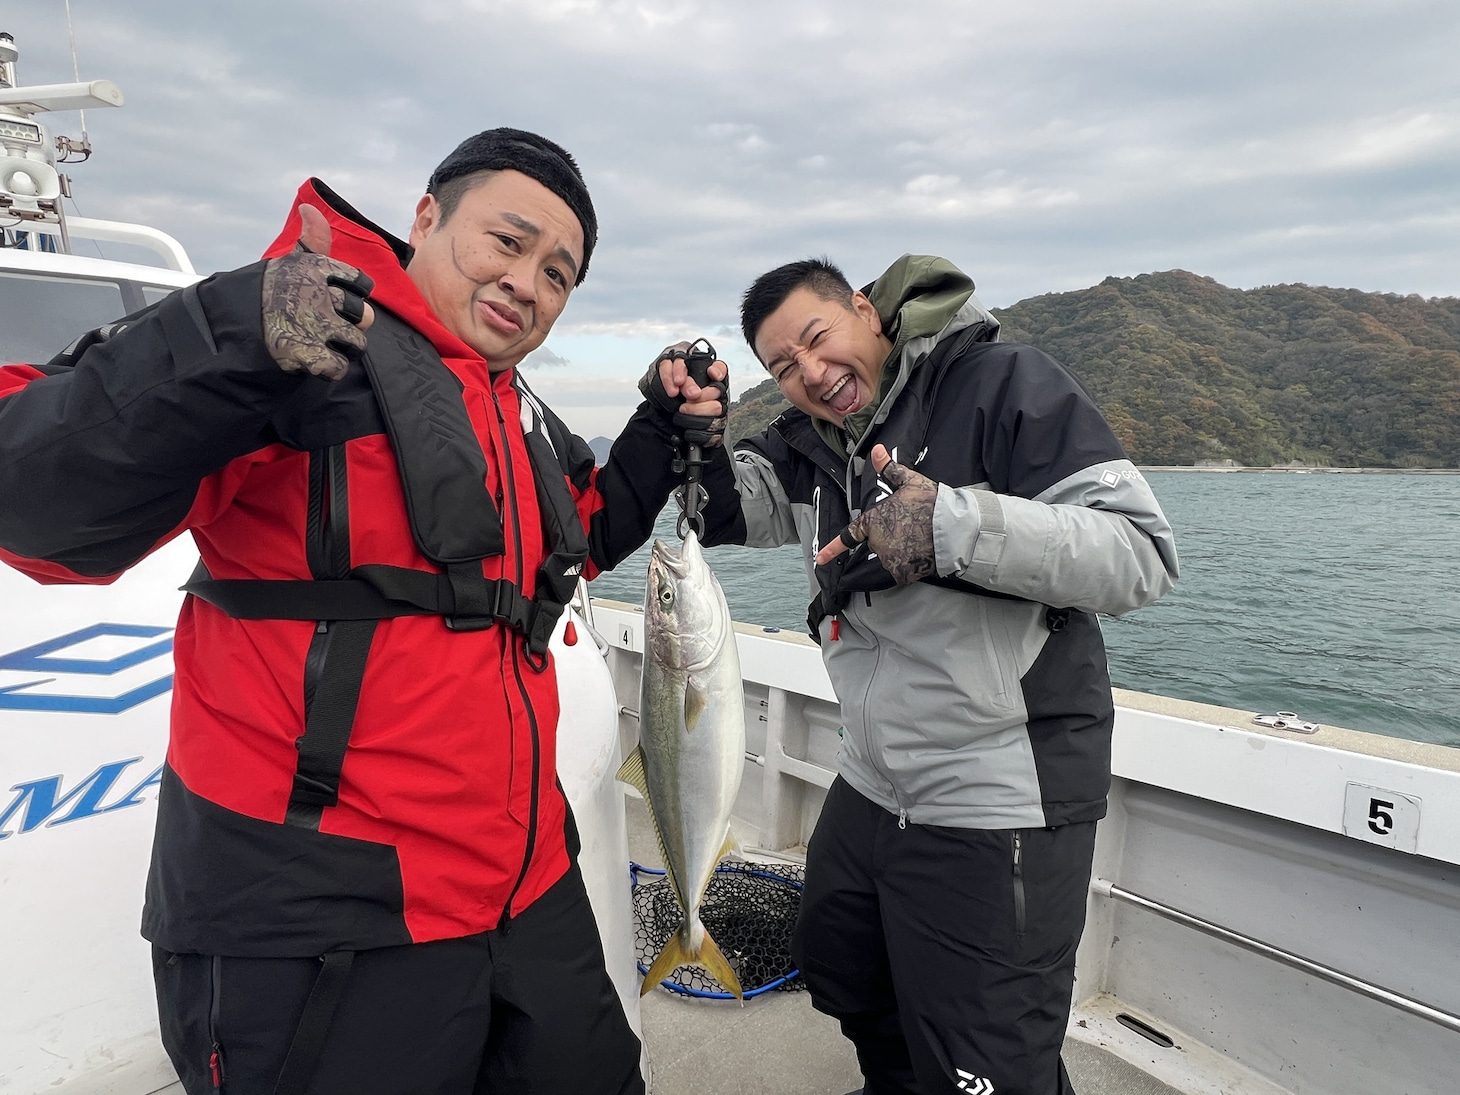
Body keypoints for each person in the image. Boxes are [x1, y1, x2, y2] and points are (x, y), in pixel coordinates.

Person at [0, 129, 729, 1095]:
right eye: (505, 242)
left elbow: (570, 546)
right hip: (324, 921)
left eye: (559, 274)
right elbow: (35, 503)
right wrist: (230, 336)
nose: (528, 283)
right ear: (425, 218)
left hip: (527, 888)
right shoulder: (294, 345)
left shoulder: (514, 410)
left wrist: (659, 428)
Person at [719, 255, 1179, 1095]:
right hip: (872, 780)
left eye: (818, 340)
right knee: (850, 976)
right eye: (783, 367)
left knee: (987, 1058)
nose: (812, 374)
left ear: (865, 308)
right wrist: (675, 430)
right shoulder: (820, 446)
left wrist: (951, 523)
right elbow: (729, 505)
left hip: (998, 788)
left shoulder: (1002, 385)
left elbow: (1139, 555)